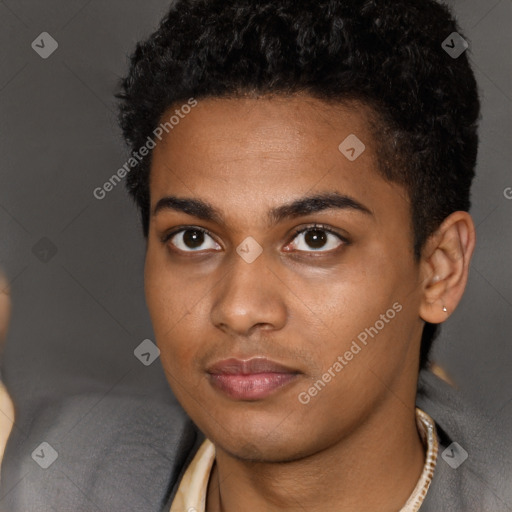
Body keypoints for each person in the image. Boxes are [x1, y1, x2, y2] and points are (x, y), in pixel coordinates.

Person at [1, 1, 510, 511]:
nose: (240, 309)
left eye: (315, 239)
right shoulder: (41, 481)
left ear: (439, 268)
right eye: (194, 238)